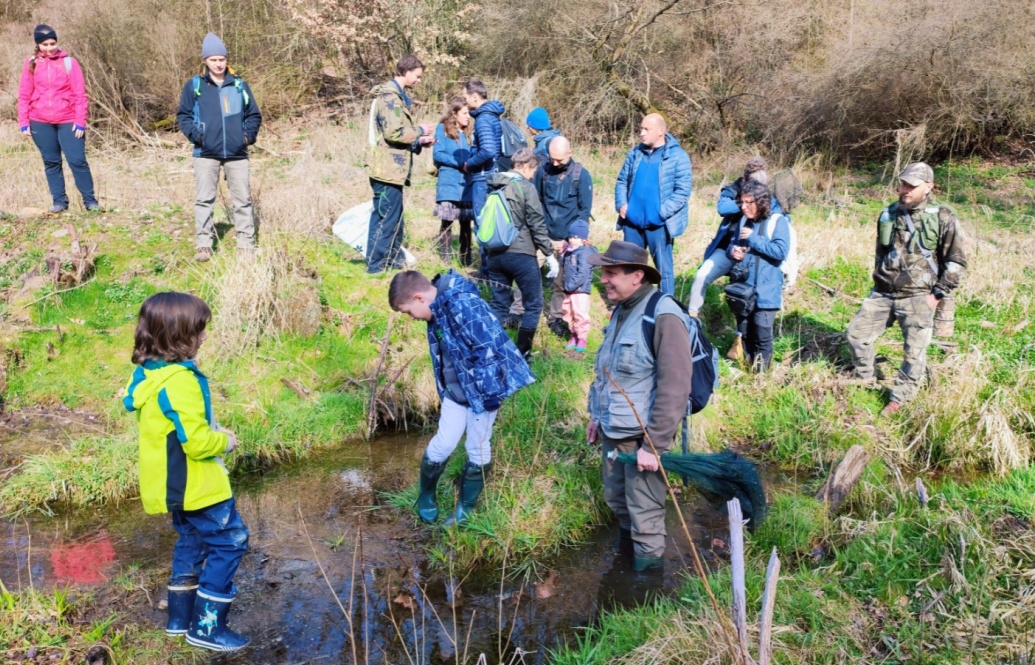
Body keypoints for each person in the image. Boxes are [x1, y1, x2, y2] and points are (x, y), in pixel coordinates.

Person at [123, 292, 250, 652]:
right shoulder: (181, 381)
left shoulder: (148, 373)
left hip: (171, 485)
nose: (205, 337)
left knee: (192, 542)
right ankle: (207, 629)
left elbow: (175, 427)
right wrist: (223, 441)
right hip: (199, 485)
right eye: (199, 331)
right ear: (179, 337)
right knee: (231, 542)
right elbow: (195, 443)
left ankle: (180, 621)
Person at [389, 269, 534, 526]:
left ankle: (465, 509)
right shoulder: (436, 310)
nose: (410, 318)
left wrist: (489, 395)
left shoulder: (463, 304)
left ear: (419, 298)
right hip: (456, 392)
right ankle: (426, 496)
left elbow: (488, 349)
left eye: (408, 311)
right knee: (443, 443)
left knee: (477, 446)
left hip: (483, 392)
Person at [586, 241, 693, 571]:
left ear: (637, 276)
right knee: (617, 501)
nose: (603, 279)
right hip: (612, 432)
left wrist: (654, 444)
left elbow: (675, 386)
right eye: (603, 272)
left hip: (641, 440)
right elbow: (608, 370)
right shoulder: (621, 308)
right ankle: (628, 561)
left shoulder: (663, 315)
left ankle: (646, 588)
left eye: (611, 273)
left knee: (645, 516)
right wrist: (595, 416)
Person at [846, 162, 967, 415]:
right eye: (903, 183)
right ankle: (865, 376)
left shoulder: (942, 216)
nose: (904, 189)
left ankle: (901, 397)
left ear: (929, 187)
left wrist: (936, 295)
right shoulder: (889, 213)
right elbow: (880, 252)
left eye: (911, 185)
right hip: (882, 292)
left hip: (918, 297)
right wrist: (879, 278)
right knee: (856, 336)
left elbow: (956, 262)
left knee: (914, 354)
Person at [176, 33, 262, 263]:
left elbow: (253, 114)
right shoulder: (195, 86)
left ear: (226, 60)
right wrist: (197, 136)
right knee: (204, 199)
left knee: (242, 199)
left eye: (221, 59)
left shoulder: (239, 85)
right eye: (213, 59)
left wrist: (246, 138)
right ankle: (204, 244)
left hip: (237, 153)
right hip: (205, 153)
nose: (218, 63)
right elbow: (183, 115)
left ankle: (246, 244)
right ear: (206, 60)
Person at [363, 55, 436, 274]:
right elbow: (393, 133)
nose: (419, 80)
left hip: (391, 169)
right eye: (418, 76)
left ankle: (391, 259)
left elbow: (396, 136)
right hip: (386, 170)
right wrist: (420, 130)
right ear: (406, 71)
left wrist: (418, 141)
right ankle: (375, 266)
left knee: (393, 217)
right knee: (386, 218)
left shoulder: (394, 96)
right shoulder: (390, 98)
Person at [18, 24, 99, 214]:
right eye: (44, 44)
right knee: (51, 162)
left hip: (68, 119)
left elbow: (80, 95)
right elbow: (24, 95)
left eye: (52, 43)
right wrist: (23, 122)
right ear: (38, 45)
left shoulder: (69, 62)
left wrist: (80, 121)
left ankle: (90, 202)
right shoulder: (31, 63)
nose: (49, 47)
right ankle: (59, 203)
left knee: (77, 160)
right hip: (39, 120)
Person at [483, 148, 556, 359]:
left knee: (499, 303)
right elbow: (536, 223)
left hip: (494, 254)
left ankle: (490, 351)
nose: (534, 175)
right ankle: (523, 354)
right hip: (521, 253)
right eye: (533, 170)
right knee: (533, 304)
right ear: (525, 166)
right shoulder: (525, 187)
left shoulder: (494, 184)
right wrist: (549, 254)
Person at [615, 114, 693, 297]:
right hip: (632, 224)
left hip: (659, 225)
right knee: (630, 269)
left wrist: (660, 214)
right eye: (640, 129)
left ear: (661, 131)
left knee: (663, 272)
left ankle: (666, 309)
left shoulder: (677, 156)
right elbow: (621, 181)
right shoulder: (635, 153)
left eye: (646, 129)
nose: (641, 133)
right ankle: (629, 306)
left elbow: (682, 191)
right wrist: (621, 204)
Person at [688, 157, 774, 321]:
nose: (756, 190)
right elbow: (723, 207)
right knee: (701, 276)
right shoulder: (734, 189)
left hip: (755, 254)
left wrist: (758, 203)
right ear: (744, 180)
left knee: (747, 293)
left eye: (759, 188)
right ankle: (692, 317)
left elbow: (779, 220)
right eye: (752, 185)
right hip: (728, 248)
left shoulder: (767, 196)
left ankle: (740, 337)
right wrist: (745, 203)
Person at [724, 181, 790, 371]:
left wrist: (752, 238)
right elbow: (731, 245)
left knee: (762, 335)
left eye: (748, 202)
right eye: (741, 203)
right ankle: (747, 368)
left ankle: (760, 376)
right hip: (743, 290)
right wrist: (733, 251)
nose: (743, 207)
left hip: (766, 289)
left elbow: (780, 252)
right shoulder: (743, 221)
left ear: (761, 202)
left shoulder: (778, 222)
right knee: (744, 332)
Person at [533, 136, 594, 339]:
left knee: (561, 283)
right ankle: (517, 312)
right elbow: (536, 201)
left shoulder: (581, 176)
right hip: (542, 235)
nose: (555, 163)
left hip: (567, 240)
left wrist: (573, 241)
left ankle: (556, 318)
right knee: (527, 274)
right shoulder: (542, 171)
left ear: (570, 153)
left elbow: (584, 212)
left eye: (560, 160)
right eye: (552, 159)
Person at [433, 97, 474, 266]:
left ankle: (466, 260)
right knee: (447, 221)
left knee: (466, 223)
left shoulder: (471, 133)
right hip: (449, 182)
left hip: (467, 184)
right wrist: (459, 163)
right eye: (464, 113)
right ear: (455, 114)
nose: (468, 117)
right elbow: (438, 154)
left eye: (469, 113)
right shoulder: (442, 129)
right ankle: (445, 260)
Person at [560, 219, 598, 352]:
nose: (571, 240)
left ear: (583, 239)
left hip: (580, 290)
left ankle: (582, 338)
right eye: (570, 236)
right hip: (569, 289)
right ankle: (574, 335)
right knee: (568, 313)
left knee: (580, 314)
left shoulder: (585, 253)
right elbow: (564, 265)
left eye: (575, 237)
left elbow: (582, 273)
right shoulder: (570, 251)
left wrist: (570, 286)